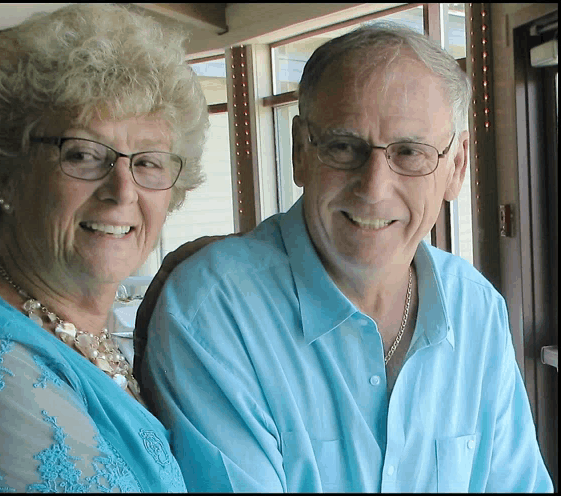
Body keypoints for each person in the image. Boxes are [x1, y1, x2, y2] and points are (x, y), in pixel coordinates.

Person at [136, 22, 554, 492]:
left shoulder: (476, 308)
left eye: (410, 152)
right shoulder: (212, 313)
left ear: (455, 167)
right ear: (299, 151)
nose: (374, 188)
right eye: (343, 147)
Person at [0, 3, 209, 492]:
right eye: (83, 154)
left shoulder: (88, 334)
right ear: (4, 174)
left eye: (148, 162)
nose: (123, 191)